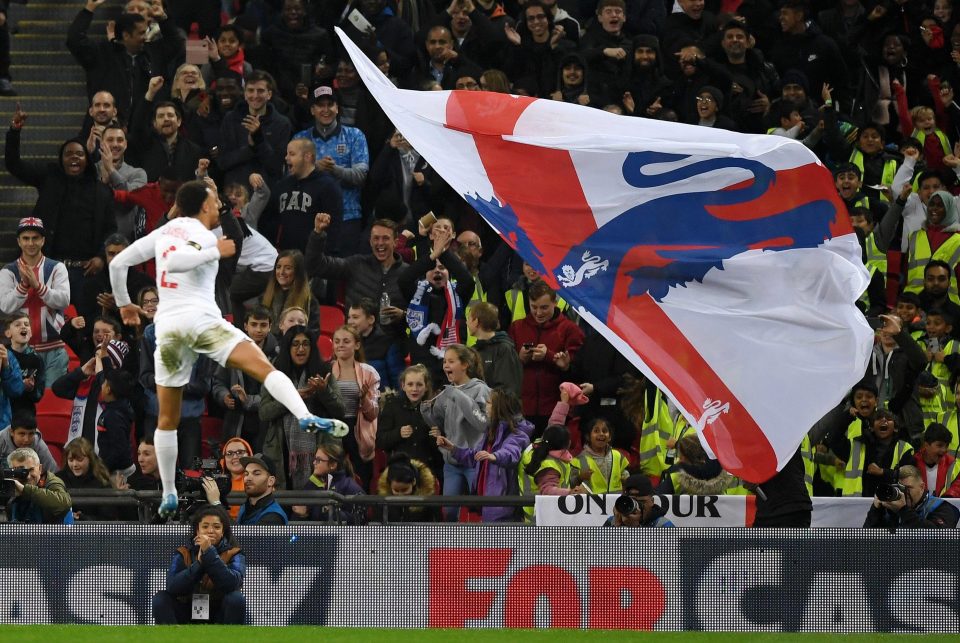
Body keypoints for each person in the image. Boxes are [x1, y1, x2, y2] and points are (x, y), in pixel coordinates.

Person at [108, 180, 348, 518]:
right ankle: (305, 414)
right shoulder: (203, 234)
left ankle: (169, 492)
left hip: (170, 329)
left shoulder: (162, 232)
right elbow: (176, 261)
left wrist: (124, 304)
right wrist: (214, 251)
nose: (218, 205)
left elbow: (117, 265)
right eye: (215, 201)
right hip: (203, 321)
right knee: (265, 369)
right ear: (204, 207)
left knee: (166, 419)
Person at [260, 326, 345, 490]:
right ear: (287, 348)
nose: (301, 349)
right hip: (282, 450)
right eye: (295, 344)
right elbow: (264, 413)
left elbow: (340, 410)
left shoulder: (324, 372)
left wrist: (323, 391)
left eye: (306, 344)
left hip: (320, 451)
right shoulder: (275, 375)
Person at [292, 87, 370, 256]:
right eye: (320, 105)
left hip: (347, 218)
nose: (325, 110)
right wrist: (314, 169)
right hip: (308, 219)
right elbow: (290, 179)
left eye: (330, 104)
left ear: (337, 108)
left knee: (343, 276)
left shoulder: (354, 136)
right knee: (310, 276)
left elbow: (361, 176)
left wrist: (334, 169)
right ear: (312, 110)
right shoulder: (300, 140)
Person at [305, 214, 409, 340]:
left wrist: (403, 315)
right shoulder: (356, 264)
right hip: (356, 346)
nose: (380, 243)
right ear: (370, 241)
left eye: (385, 238)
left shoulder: (408, 273)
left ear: (395, 243)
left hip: (393, 347)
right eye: (376, 238)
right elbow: (315, 266)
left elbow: (421, 314)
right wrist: (318, 234)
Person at [437, 387, 533, 522]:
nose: (485, 406)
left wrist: (495, 456)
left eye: (488, 402)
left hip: (503, 505)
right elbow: (476, 456)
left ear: (500, 407)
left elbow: (511, 453)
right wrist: (453, 449)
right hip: (488, 501)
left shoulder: (518, 433)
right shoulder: (491, 430)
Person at [420, 344, 491, 520]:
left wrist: (458, 395)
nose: (445, 366)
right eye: (444, 361)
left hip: (474, 462)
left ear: (465, 365)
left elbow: (482, 424)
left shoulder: (480, 390)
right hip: (451, 463)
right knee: (449, 511)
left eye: (451, 361)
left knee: (480, 510)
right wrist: (426, 411)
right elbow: (439, 426)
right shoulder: (446, 392)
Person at [0, 218, 71, 385]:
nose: (30, 243)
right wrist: (24, 286)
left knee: (52, 400)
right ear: (18, 241)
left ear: (43, 240)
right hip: (20, 351)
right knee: (23, 403)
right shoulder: (8, 271)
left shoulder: (56, 267)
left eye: (35, 238)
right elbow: (5, 306)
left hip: (53, 349)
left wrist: (38, 286)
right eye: (26, 238)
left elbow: (64, 300)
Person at [508, 280, 584, 435]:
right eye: (533, 307)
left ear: (555, 302)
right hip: (523, 410)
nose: (538, 313)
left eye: (544, 307)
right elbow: (507, 370)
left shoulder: (570, 329)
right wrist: (520, 358)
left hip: (557, 409)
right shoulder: (517, 327)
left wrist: (552, 358)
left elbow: (581, 372)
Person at [152, 505, 246, 624]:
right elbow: (173, 586)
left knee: (236, 599)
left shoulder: (235, 554)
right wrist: (199, 563)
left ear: (223, 532)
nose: (211, 531)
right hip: (187, 609)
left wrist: (209, 554)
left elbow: (232, 583)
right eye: (205, 526)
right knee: (161, 598)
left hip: (219, 612)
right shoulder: (183, 553)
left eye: (216, 527)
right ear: (197, 530)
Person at [258, 139, 343, 255]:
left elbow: (334, 228)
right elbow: (269, 221)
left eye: (292, 154)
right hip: (285, 257)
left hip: (314, 259)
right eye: (287, 154)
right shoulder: (282, 186)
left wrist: (324, 258)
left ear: (307, 157)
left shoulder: (328, 186)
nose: (286, 158)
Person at [214, 307, 275, 452]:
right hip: (236, 422)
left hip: (266, 424)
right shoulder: (232, 351)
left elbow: (277, 396)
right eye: (254, 324)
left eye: (263, 325)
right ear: (245, 326)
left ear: (270, 327)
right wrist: (224, 396)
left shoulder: (278, 356)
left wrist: (248, 400)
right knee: (233, 467)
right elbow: (218, 382)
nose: (258, 329)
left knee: (261, 468)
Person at [330, 325, 380, 491]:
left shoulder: (369, 372)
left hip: (357, 429)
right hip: (333, 429)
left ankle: (361, 512)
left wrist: (364, 398)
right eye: (336, 341)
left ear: (357, 345)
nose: (340, 345)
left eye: (346, 341)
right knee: (333, 476)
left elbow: (373, 413)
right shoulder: (326, 370)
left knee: (362, 476)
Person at [377, 364, 441, 478]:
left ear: (426, 386)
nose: (414, 389)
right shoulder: (392, 406)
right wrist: (398, 433)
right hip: (399, 471)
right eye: (410, 384)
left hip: (427, 471)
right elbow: (381, 441)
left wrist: (438, 437)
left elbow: (440, 451)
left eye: (419, 384)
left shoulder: (434, 409)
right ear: (403, 386)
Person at [518, 424, 586, 523]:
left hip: (535, 512)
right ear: (566, 443)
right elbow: (547, 491)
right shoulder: (549, 466)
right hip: (543, 517)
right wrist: (570, 492)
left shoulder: (535, 449)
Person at [863, 465, 960, 528]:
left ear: (922, 487)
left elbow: (938, 538)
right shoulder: (890, 509)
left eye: (908, 488)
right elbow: (867, 540)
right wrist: (876, 510)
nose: (903, 493)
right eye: (899, 488)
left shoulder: (942, 508)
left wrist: (903, 510)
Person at [291, 441, 365, 523]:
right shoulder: (312, 483)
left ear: (333, 465)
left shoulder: (351, 487)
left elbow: (359, 521)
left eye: (318, 460)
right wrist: (301, 515)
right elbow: (299, 516)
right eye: (315, 459)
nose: (314, 463)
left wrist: (330, 512)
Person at [347, 298, 405, 391]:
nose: (350, 322)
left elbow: (398, 379)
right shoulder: (347, 343)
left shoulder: (387, 343)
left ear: (371, 319)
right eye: (349, 317)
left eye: (355, 317)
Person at [5, 447, 73, 523]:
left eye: (31, 470)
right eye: (21, 472)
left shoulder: (51, 481)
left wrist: (25, 490)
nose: (28, 476)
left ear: (40, 468)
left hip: (56, 533)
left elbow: (64, 504)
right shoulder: (11, 485)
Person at [258, 250, 320, 334]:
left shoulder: (309, 301)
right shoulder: (264, 297)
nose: (281, 272)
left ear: (298, 272)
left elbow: (313, 334)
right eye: (278, 267)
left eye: (288, 268)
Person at [59, 437, 113, 521]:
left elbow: (107, 519)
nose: (74, 464)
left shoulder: (102, 482)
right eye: (71, 460)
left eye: (79, 459)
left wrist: (83, 519)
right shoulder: (58, 479)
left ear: (90, 459)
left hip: (92, 532)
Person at [376, 452, 439, 522]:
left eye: (404, 490)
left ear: (414, 482)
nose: (400, 495)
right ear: (389, 484)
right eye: (396, 490)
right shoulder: (382, 502)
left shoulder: (428, 500)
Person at [574, 416, 630, 494]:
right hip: (592, 503)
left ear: (609, 437)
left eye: (604, 431)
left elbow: (625, 475)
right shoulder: (579, 460)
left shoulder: (618, 456)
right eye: (596, 431)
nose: (601, 434)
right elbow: (571, 483)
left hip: (616, 501)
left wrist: (627, 480)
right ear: (588, 437)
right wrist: (579, 477)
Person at [0, 410, 59, 474]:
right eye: (22, 434)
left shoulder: (38, 444)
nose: (26, 439)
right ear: (11, 432)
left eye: (31, 434)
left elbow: (53, 472)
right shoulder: (1, 440)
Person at [236, 453, 288, 525]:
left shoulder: (273, 516)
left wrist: (217, 503)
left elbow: (242, 535)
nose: (248, 478)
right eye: (246, 474)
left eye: (256, 473)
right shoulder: (245, 507)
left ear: (271, 481)